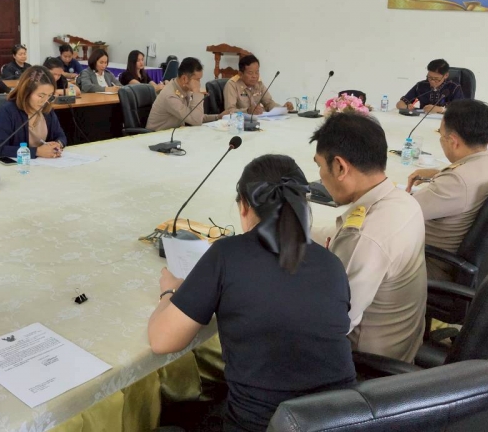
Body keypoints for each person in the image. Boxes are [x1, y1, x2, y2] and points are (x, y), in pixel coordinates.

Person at [148, 155, 356, 432]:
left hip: (260, 425)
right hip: (340, 422)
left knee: (172, 417)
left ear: (244, 206)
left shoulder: (227, 255)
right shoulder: (331, 263)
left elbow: (162, 341)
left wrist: (170, 291)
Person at [311, 113, 426, 362]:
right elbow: (337, 235)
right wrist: (295, 231)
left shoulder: (364, 237)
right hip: (402, 340)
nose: (319, 176)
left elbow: (329, 325)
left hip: (366, 362)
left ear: (340, 167)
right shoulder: (401, 200)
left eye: (319, 165)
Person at [406, 100, 488, 281]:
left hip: (431, 263)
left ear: (453, 141)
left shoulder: (455, 182)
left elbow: (401, 211)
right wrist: (438, 174)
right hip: (467, 261)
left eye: (441, 135)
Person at [0, 66, 67, 159]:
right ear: (26, 92)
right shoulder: (8, 110)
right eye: (41, 96)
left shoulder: (47, 109)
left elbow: (61, 136)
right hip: (19, 165)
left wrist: (58, 144)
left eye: (49, 96)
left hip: (44, 164)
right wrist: (37, 151)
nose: (45, 101)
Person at [146, 57, 227, 131]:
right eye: (197, 80)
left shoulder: (183, 89)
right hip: (156, 136)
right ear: (184, 78)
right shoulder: (170, 96)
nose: (199, 83)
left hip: (173, 133)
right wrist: (196, 92)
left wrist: (218, 117)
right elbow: (196, 120)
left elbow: (193, 115)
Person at [224, 54, 294, 114]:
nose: (254, 76)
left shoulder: (259, 84)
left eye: (257, 72)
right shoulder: (232, 85)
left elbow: (269, 103)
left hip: (261, 120)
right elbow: (229, 111)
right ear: (240, 74)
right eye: (250, 73)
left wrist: (282, 108)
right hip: (241, 122)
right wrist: (247, 111)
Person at [396, 59, 464, 113]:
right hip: (423, 120)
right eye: (429, 77)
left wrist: (441, 109)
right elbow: (400, 103)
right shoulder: (421, 85)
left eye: (436, 79)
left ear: (446, 75)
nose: (432, 81)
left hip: (445, 121)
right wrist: (407, 107)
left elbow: (460, 110)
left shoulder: (454, 87)